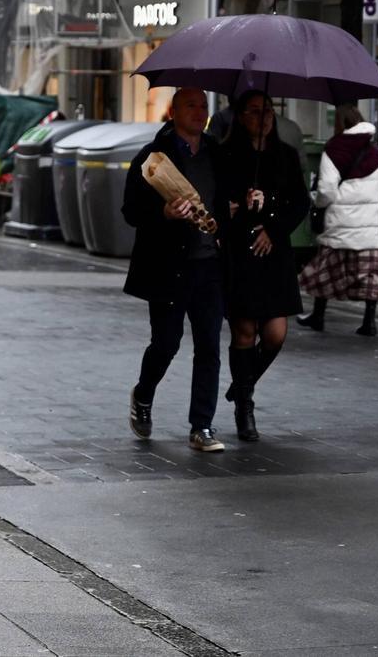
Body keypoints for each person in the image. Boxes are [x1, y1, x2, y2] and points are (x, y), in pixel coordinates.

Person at [123, 88, 228, 452]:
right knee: (166, 343)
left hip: (209, 266)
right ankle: (143, 392)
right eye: (191, 106)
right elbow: (130, 211)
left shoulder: (218, 153)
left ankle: (202, 426)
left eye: (204, 106)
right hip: (169, 267)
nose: (200, 112)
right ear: (174, 112)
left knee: (209, 346)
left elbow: (225, 201)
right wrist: (163, 213)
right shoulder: (152, 157)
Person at [218, 90, 309, 442]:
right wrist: (240, 202)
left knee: (275, 334)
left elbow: (300, 202)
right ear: (241, 116)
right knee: (244, 332)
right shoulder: (226, 154)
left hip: (274, 253)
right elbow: (216, 200)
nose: (264, 117)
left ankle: (242, 383)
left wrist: (273, 223)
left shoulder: (285, 155)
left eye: (268, 111)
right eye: (255, 111)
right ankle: (245, 407)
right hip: (240, 251)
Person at [297, 107, 378, 336]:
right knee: (370, 273)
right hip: (368, 224)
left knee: (325, 269)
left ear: (340, 124)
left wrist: (318, 202)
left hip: (340, 222)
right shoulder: (375, 153)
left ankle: (318, 316)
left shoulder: (334, 149)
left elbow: (327, 190)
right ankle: (369, 322)